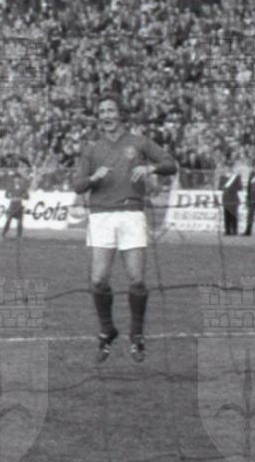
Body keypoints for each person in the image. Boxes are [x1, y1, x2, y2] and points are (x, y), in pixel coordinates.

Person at [70, 97, 179, 362]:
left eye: (110, 110)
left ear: (120, 115)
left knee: (137, 280)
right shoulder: (92, 148)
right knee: (98, 280)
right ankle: (107, 330)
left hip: (131, 214)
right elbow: (77, 185)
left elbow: (171, 164)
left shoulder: (139, 142)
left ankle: (137, 335)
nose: (105, 115)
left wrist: (150, 168)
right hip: (101, 216)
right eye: (101, 111)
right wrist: (93, 178)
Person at [221, 163, 245, 236]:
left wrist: (232, 187)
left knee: (234, 214)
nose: (228, 169)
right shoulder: (222, 177)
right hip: (226, 197)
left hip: (233, 197)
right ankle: (227, 230)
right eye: (227, 167)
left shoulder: (236, 177)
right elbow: (220, 186)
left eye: (230, 167)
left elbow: (240, 187)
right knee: (226, 215)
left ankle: (234, 230)